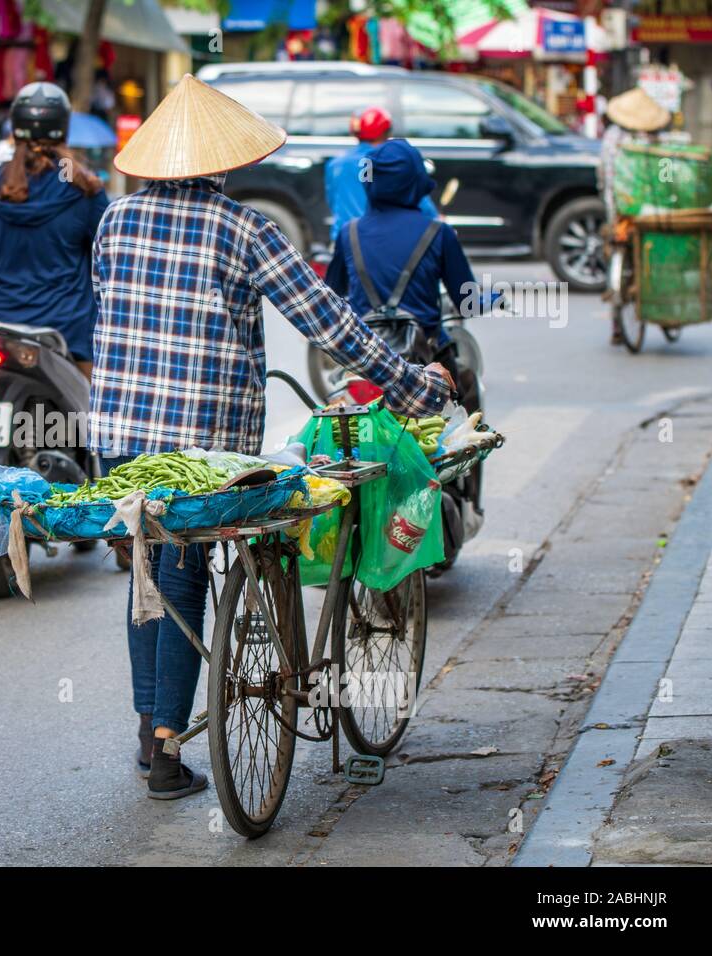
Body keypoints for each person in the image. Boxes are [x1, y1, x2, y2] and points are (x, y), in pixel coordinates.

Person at [92, 75, 454, 799]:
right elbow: (331, 325)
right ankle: (167, 748)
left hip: (117, 441)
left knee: (146, 570)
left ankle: (147, 730)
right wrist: (416, 386)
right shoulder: (244, 228)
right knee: (185, 575)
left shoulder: (114, 221)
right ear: (221, 163)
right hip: (204, 449)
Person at [0, 82, 108, 376]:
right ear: (64, 128)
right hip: (67, 333)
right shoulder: (86, 190)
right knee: (94, 416)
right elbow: (105, 259)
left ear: (14, 128)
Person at [324, 138, 483, 377]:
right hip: (426, 361)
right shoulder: (440, 234)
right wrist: (494, 298)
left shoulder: (349, 233)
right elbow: (467, 303)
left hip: (364, 363)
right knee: (465, 387)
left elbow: (332, 295)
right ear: (416, 180)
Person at [598, 87, 670, 346]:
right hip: (652, 212)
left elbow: (604, 177)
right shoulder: (659, 141)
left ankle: (617, 326)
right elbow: (666, 178)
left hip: (619, 211)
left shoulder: (611, 137)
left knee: (614, 250)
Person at [324, 106, 436, 244]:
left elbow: (332, 202)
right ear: (387, 131)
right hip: (384, 244)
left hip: (344, 242)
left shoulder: (335, 164)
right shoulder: (396, 163)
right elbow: (422, 205)